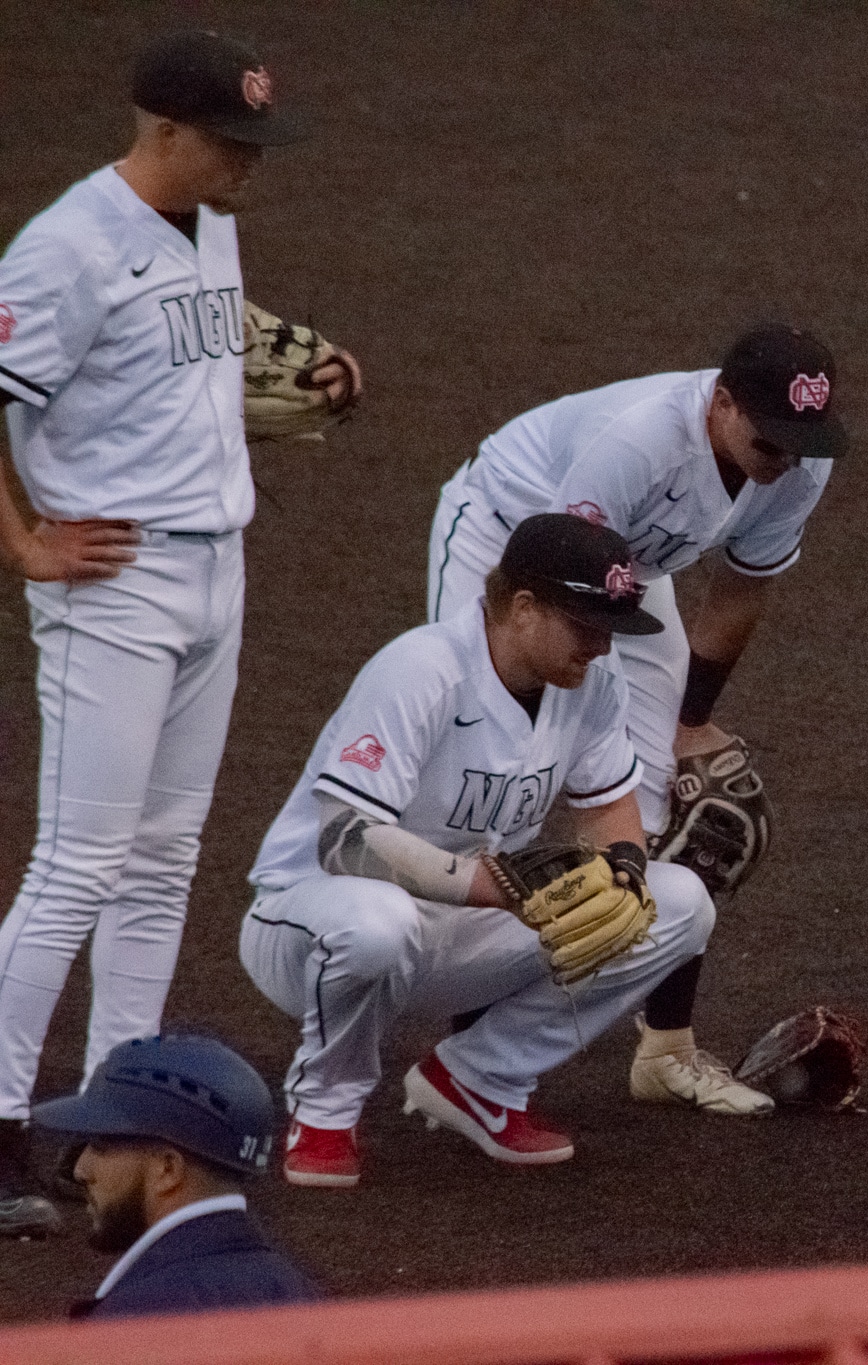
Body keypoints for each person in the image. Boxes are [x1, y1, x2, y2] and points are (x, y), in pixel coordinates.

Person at [0, 29, 361, 1238]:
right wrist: (25, 541)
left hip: (218, 573)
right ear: (162, 131)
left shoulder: (207, 220)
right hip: (118, 585)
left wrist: (302, 369)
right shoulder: (64, 249)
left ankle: (113, 1119)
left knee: (162, 862)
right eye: (232, 140)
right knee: (77, 867)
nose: (251, 161)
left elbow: (184, 359)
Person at [240, 515, 765, 1191]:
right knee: (378, 921)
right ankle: (324, 1111)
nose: (602, 647)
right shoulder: (421, 669)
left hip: (452, 924)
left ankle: (480, 1078)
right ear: (523, 608)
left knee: (677, 905)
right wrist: (497, 882)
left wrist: (625, 865)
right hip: (309, 922)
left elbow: (608, 804)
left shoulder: (591, 686)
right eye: (587, 626)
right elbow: (346, 839)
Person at [425, 323, 845, 837]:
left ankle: (626, 885)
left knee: (656, 753)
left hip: (623, 559)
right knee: (486, 716)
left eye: (800, 444)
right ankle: (434, 878)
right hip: (504, 527)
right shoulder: (639, 440)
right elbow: (568, 582)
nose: (786, 461)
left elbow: (740, 592)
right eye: (771, 442)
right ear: (723, 402)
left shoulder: (804, 466)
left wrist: (690, 723)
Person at [32, 1034, 316, 1317]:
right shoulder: (298, 1293)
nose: (80, 1170)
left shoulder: (133, 1319)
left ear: (168, 1169)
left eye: (101, 1145)